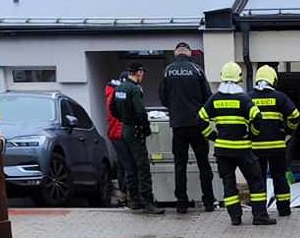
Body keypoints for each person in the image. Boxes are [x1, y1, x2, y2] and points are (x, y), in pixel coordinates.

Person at [198, 62, 272, 226]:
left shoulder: (214, 99)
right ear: (239, 78)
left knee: (229, 183)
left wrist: (213, 136)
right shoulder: (243, 99)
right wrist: (252, 133)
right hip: (243, 149)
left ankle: (235, 217)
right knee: (255, 180)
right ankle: (259, 216)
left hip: (223, 149)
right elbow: (257, 117)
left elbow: (201, 119)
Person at [159, 41, 215, 214]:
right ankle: (208, 202)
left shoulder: (168, 71)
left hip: (178, 125)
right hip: (197, 124)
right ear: (189, 53)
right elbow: (208, 97)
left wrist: (175, 110)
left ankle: (181, 203)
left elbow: (163, 96)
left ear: (176, 53)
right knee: (203, 164)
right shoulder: (197, 70)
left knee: (180, 165)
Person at [108, 62, 160, 214]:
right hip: (135, 130)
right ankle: (148, 202)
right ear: (137, 73)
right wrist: (145, 127)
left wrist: (124, 119)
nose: (143, 75)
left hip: (125, 129)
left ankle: (134, 200)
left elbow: (112, 109)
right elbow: (140, 112)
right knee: (142, 166)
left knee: (130, 167)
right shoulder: (134, 90)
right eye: (142, 72)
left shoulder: (119, 89)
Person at [249, 66, 299, 218]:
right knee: (279, 177)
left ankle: (260, 210)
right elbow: (295, 116)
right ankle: (283, 210)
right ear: (273, 80)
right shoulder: (280, 97)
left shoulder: (248, 97)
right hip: (277, 146)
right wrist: (287, 131)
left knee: (258, 178)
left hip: (256, 147)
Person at [104, 72, 135, 206]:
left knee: (122, 165)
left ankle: (123, 194)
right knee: (129, 165)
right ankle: (129, 195)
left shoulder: (111, 94)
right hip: (119, 133)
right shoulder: (116, 95)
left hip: (115, 133)